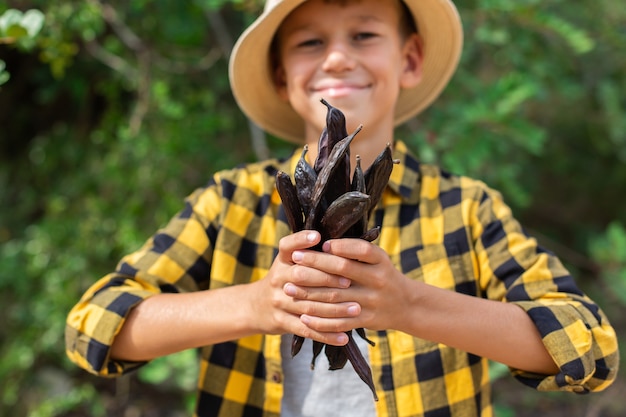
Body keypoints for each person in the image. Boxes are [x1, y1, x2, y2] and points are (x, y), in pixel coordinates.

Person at [65, 0, 619, 416]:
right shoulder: (230, 203)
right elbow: (93, 327)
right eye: (309, 43)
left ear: (410, 59)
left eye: (363, 34)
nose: (336, 56)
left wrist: (408, 306)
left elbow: (589, 347)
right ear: (282, 75)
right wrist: (260, 304)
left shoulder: (465, 209)